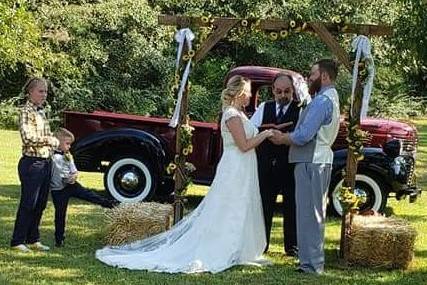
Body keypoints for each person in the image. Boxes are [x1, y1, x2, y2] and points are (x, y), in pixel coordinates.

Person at [96, 75, 274, 273]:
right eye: (248, 92)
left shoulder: (238, 113)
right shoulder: (232, 114)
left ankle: (238, 248)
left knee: (240, 205)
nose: (250, 96)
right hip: (236, 166)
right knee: (229, 206)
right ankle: (223, 248)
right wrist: (265, 135)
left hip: (243, 166)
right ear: (240, 93)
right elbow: (244, 145)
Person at [270, 59, 340, 274]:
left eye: (312, 74)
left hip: (312, 161)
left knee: (311, 213)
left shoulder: (321, 102)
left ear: (324, 76)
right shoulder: (328, 98)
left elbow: (304, 135)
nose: (309, 78)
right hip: (314, 160)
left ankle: (312, 264)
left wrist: (282, 138)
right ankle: (308, 261)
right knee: (309, 213)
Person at [250, 73, 301, 256]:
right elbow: (251, 130)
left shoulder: (301, 110)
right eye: (279, 92)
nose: (282, 95)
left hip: (290, 165)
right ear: (273, 91)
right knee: (264, 205)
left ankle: (292, 246)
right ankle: (262, 244)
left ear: (292, 90)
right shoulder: (265, 107)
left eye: (287, 91)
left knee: (292, 205)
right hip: (267, 165)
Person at [10, 77, 59, 252]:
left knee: (41, 203)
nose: (44, 95)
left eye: (45, 91)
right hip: (32, 163)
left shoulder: (41, 112)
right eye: (40, 91)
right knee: (28, 202)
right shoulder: (26, 112)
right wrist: (50, 140)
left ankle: (33, 239)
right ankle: (17, 241)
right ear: (30, 92)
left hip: (45, 162)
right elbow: (27, 137)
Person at [51, 128, 115, 247]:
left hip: (71, 185)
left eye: (70, 144)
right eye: (67, 144)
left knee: (89, 194)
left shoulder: (68, 156)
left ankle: (110, 204)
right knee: (60, 214)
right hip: (58, 189)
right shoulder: (52, 157)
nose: (69, 146)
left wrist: (74, 176)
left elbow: (73, 169)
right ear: (57, 142)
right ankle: (59, 239)